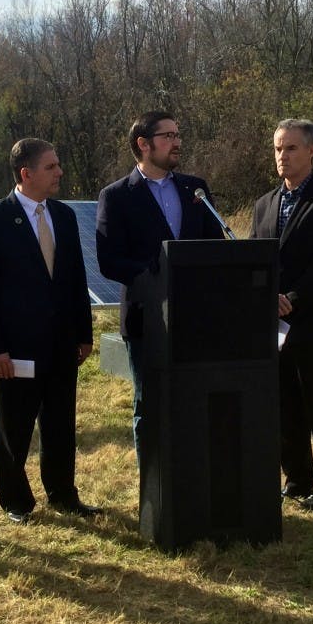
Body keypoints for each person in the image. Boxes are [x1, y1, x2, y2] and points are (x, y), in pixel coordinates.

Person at [0, 138, 100, 523]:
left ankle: (63, 493)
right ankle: (15, 500)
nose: (60, 172)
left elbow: (75, 279)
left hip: (61, 345)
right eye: (51, 167)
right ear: (26, 174)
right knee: (14, 427)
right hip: (15, 349)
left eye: (58, 165)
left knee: (60, 425)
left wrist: (84, 333)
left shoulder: (65, 215)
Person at [95, 110, 224, 462]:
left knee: (194, 400)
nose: (177, 142)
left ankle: (193, 478)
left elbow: (215, 246)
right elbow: (110, 260)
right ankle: (154, 491)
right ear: (143, 144)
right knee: (149, 404)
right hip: (146, 319)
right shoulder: (117, 195)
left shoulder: (194, 188)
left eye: (178, 134)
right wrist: (157, 280)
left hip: (196, 318)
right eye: (167, 136)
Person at [251, 118, 313, 511]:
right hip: (272, 325)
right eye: (278, 148)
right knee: (283, 402)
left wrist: (292, 297)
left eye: (291, 148)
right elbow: (256, 261)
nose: (283, 156)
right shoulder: (264, 204)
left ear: (312, 151)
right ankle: (297, 478)